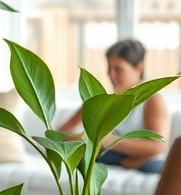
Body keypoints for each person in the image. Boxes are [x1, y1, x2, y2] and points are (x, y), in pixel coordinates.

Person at [59, 38, 170, 174]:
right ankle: (125, 162)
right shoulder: (101, 100)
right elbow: (62, 132)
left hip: (145, 161)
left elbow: (159, 147)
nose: (110, 75)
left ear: (138, 68)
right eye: (109, 68)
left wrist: (106, 140)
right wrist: (82, 137)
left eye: (118, 69)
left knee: (159, 166)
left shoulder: (152, 100)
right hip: (108, 156)